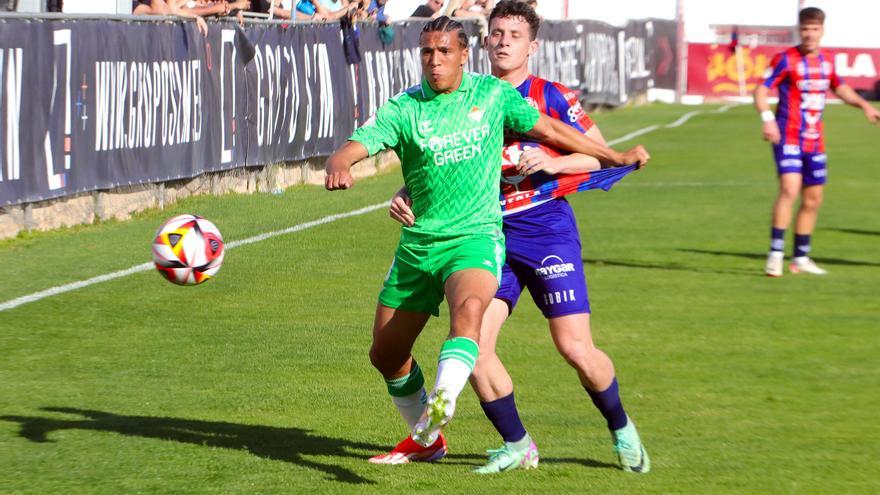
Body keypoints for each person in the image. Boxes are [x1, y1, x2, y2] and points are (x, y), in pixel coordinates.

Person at [324, 14, 649, 467]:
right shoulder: (422, 104)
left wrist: (586, 162)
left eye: (514, 36)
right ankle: (515, 445)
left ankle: (621, 428)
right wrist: (393, 184)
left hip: (538, 228)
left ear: (531, 45)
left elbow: (572, 141)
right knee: (464, 346)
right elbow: (431, 157)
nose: (503, 42)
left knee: (572, 347)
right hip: (474, 229)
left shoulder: (528, 96)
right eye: (497, 33)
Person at [755, 7, 880, 277]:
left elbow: (840, 87)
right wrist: (767, 118)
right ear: (798, 30)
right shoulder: (785, 59)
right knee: (790, 189)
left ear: (822, 31)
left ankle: (801, 257)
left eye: (814, 29)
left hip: (814, 140)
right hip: (788, 136)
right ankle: (775, 254)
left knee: (813, 200)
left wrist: (864, 106)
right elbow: (762, 89)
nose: (809, 34)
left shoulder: (826, 61)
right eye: (804, 29)